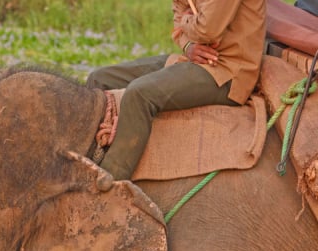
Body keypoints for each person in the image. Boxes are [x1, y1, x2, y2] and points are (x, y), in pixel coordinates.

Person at [86, 0, 266, 181]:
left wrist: (187, 21)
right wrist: (188, 46)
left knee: (139, 95)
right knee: (99, 79)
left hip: (227, 72)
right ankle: (85, 162)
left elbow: (207, 29)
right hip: (194, 59)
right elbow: (179, 12)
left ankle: (106, 186)